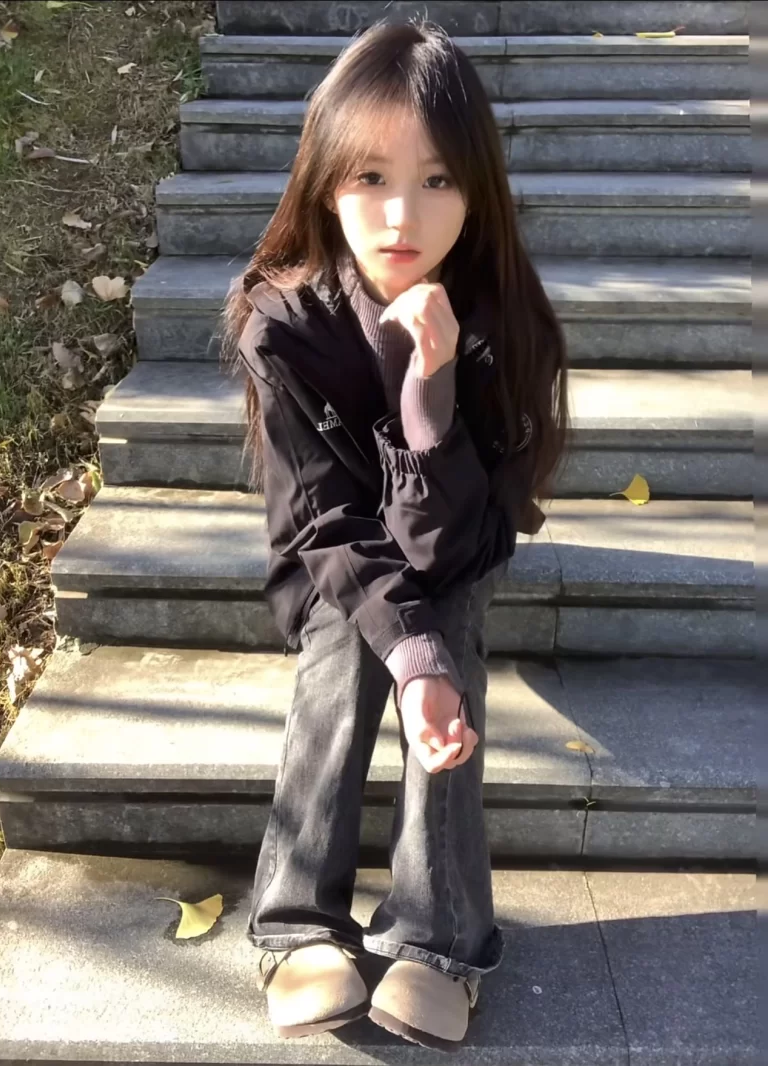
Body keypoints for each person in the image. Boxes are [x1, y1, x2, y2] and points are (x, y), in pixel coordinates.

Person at [221, 16, 569, 1054]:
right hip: (326, 555)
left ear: (477, 189)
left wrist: (429, 405)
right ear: (326, 180)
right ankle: (296, 919)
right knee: (349, 638)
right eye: (370, 176)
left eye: (436, 180)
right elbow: (326, 524)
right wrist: (402, 654)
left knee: (445, 626)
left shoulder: (504, 322)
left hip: (457, 545)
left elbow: (455, 548)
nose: (401, 215)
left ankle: (439, 940)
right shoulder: (283, 323)